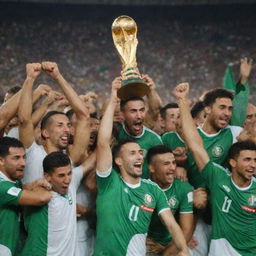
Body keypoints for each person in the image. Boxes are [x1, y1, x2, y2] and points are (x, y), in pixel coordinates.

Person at [93, 79, 189, 256]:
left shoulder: (153, 190)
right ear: (118, 160)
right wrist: (113, 97)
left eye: (140, 153)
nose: (139, 156)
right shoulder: (109, 182)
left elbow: (171, 224)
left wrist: (184, 251)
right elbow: (103, 142)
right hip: (114, 200)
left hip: (145, 214)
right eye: (132, 153)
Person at [174, 82, 256, 256]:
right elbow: (194, 146)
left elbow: (249, 153)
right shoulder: (193, 137)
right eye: (222, 107)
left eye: (230, 109)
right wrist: (182, 101)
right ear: (208, 109)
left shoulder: (234, 133)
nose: (227, 113)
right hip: (198, 212)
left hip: (226, 210)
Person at [18, 62, 90, 184]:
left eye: (68, 125)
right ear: (45, 132)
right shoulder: (32, 152)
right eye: (60, 125)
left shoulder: (69, 159)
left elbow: (84, 116)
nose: (66, 130)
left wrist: (58, 76)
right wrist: (30, 79)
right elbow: (24, 120)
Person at [20, 151, 88, 256]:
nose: (67, 180)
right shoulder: (39, 195)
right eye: (61, 175)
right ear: (47, 176)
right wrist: (35, 184)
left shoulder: (71, 183)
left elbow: (89, 163)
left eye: (69, 173)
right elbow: (19, 191)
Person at [0, 137, 52, 256]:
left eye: (24, 157)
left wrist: (34, 184)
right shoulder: (2, 187)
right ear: (1, 160)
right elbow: (41, 199)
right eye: (16, 158)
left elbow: (18, 189)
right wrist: (50, 188)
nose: (23, 163)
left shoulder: (12, 181)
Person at [147, 145, 194, 256]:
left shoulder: (183, 188)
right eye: (166, 164)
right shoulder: (142, 189)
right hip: (147, 244)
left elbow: (186, 230)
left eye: (173, 163)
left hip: (172, 244)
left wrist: (166, 251)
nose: (173, 168)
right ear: (151, 168)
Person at [114, 76, 163, 179]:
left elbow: (156, 110)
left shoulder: (154, 140)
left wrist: (151, 90)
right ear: (122, 114)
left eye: (141, 110)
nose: (139, 115)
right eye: (133, 111)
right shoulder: (115, 133)